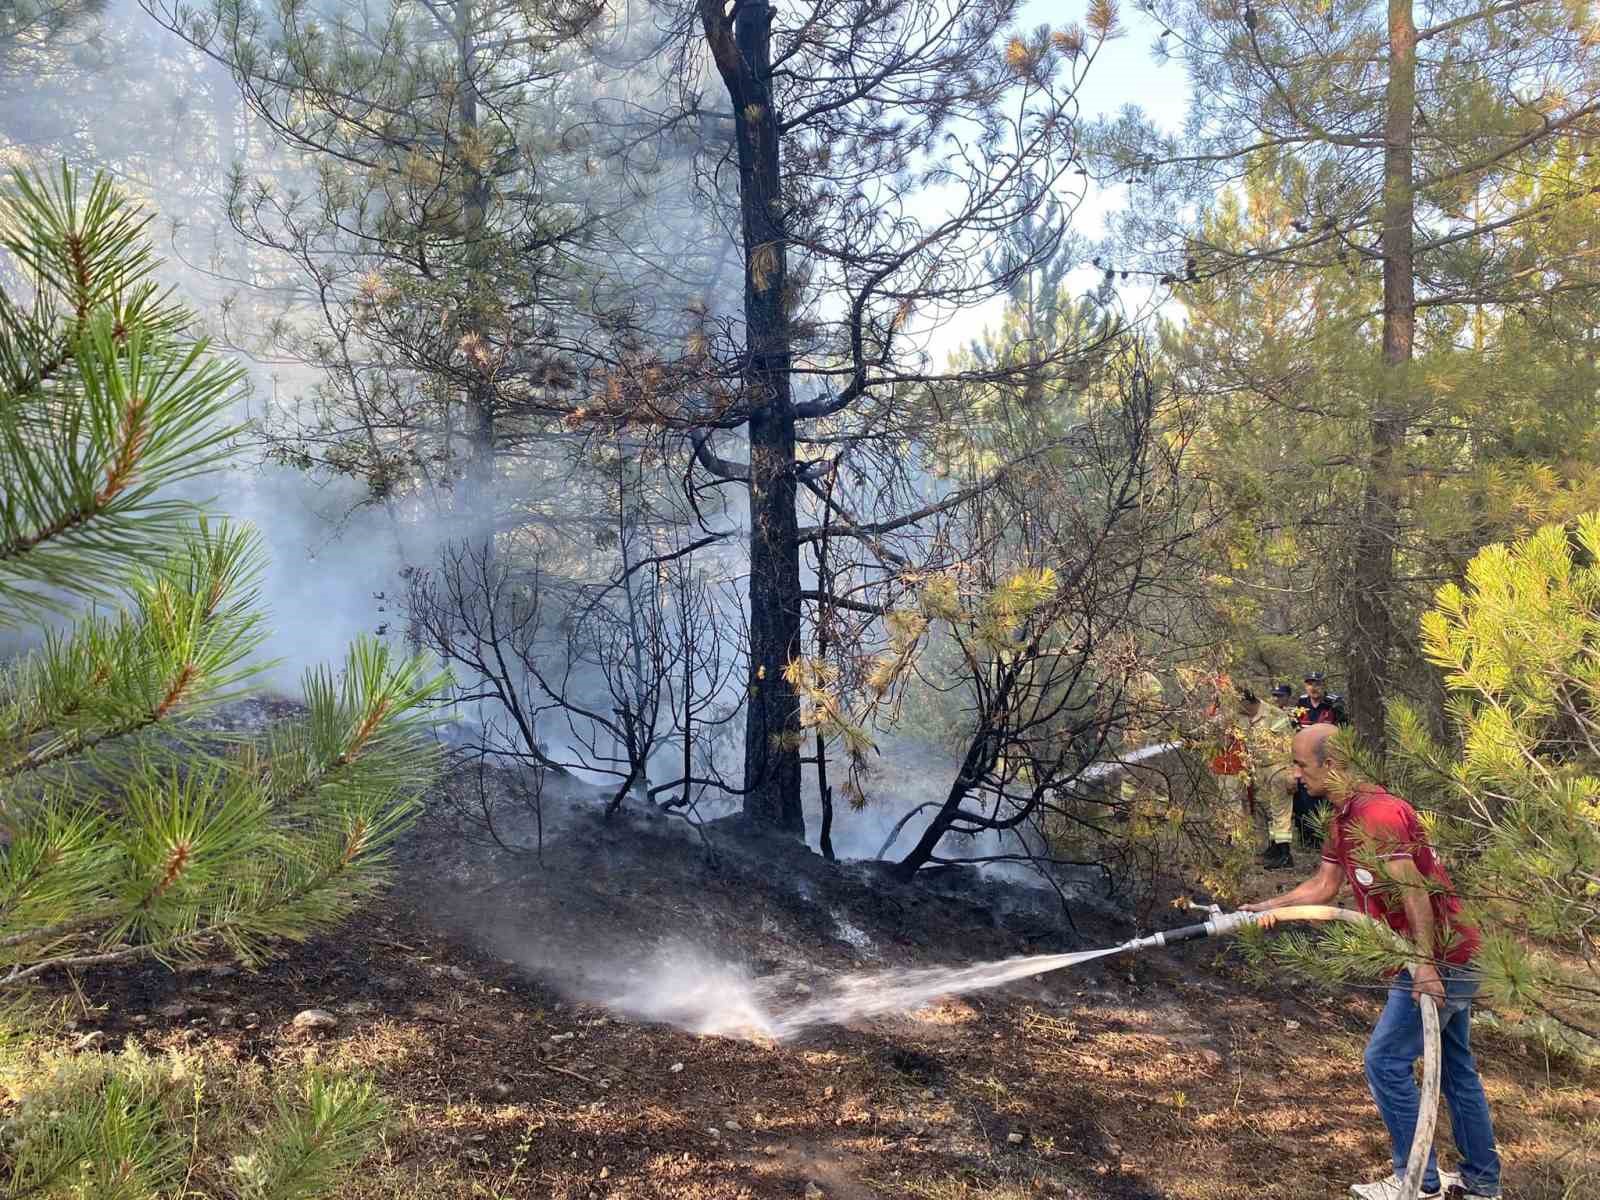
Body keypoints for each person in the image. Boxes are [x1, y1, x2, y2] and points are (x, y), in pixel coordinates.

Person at [1242, 725, 1502, 1200]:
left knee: (1384, 1061)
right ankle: (1482, 1183)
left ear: (1334, 764)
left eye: (1302, 765)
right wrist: (1268, 907)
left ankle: (1417, 1181)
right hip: (1437, 956)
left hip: (1440, 957)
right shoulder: (1345, 817)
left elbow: (1414, 891)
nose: (1296, 775)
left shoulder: (1378, 814)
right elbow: (1323, 887)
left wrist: (1424, 968)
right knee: (1456, 1067)